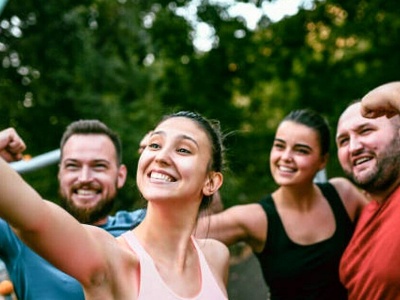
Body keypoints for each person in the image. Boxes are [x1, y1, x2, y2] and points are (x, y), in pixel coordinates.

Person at [0, 111, 230, 299]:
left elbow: (212, 207)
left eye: (183, 149)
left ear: (211, 181)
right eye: (155, 145)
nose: (161, 156)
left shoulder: (216, 256)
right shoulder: (110, 256)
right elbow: (34, 219)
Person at [195, 109, 368, 300]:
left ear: (322, 161)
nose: (286, 157)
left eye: (301, 150)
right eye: (279, 146)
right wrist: (205, 193)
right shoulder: (256, 218)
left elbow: (387, 225)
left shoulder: (343, 195)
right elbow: (180, 236)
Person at [0, 120, 145, 300]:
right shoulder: (20, 226)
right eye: (73, 166)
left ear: (120, 175)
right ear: (60, 173)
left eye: (99, 166)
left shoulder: (144, 227)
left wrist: (165, 147)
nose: (84, 178)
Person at [337, 81, 400, 299]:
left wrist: (392, 91)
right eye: (343, 141)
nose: (353, 147)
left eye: (366, 130)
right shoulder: (366, 208)